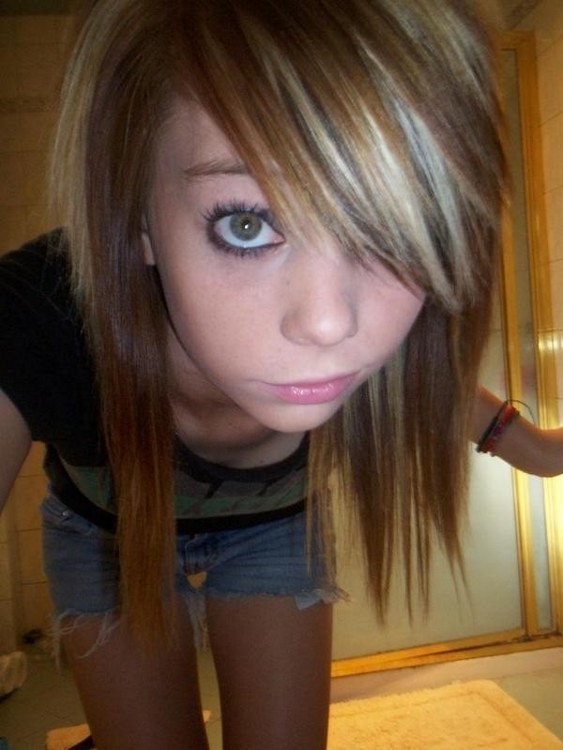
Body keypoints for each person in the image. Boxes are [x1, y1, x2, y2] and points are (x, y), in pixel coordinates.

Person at [0, 0, 513, 747]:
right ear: (135, 216)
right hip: (107, 533)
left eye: (392, 228)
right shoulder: (40, 312)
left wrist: (537, 448)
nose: (329, 323)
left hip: (274, 526)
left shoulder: (390, 335)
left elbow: (432, 391)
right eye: (246, 223)